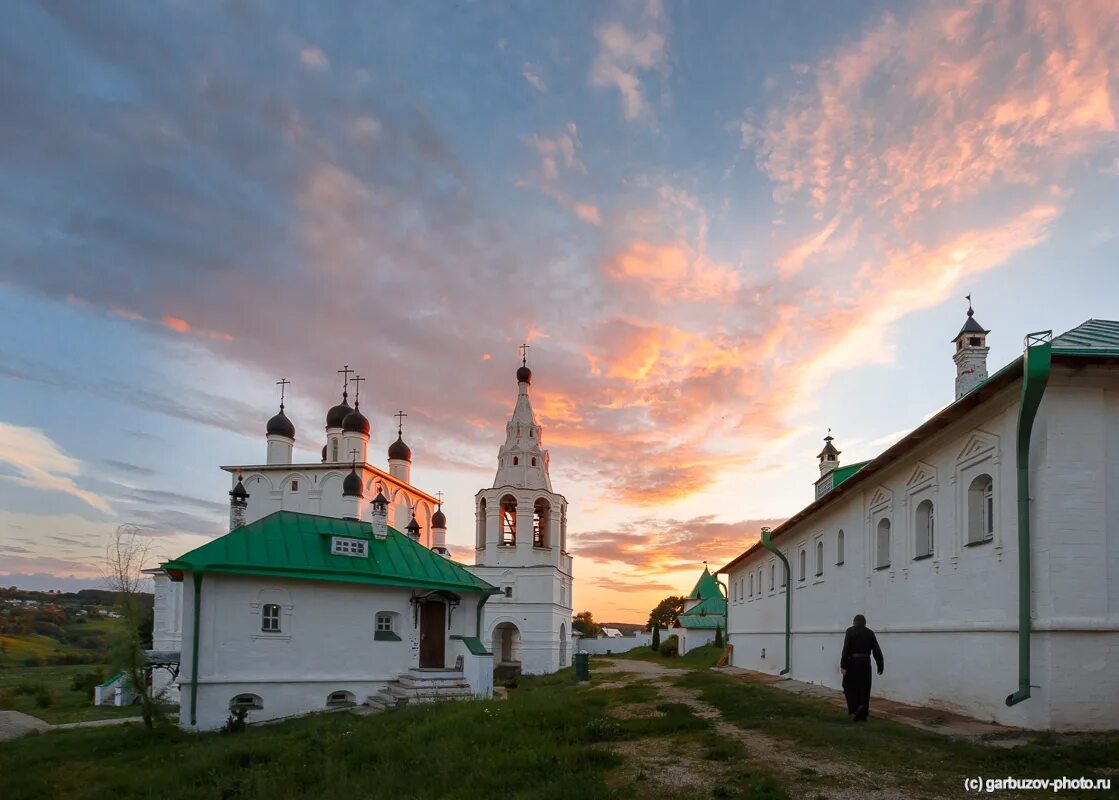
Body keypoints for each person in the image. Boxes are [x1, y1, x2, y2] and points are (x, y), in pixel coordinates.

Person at [840, 614, 883, 722]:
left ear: (854, 622)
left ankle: (855, 708)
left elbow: (846, 648)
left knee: (849, 686)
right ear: (864, 623)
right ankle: (863, 712)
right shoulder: (870, 633)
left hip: (853, 663)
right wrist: (880, 665)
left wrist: (843, 665)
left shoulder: (850, 631)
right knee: (865, 688)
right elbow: (877, 650)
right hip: (865, 663)